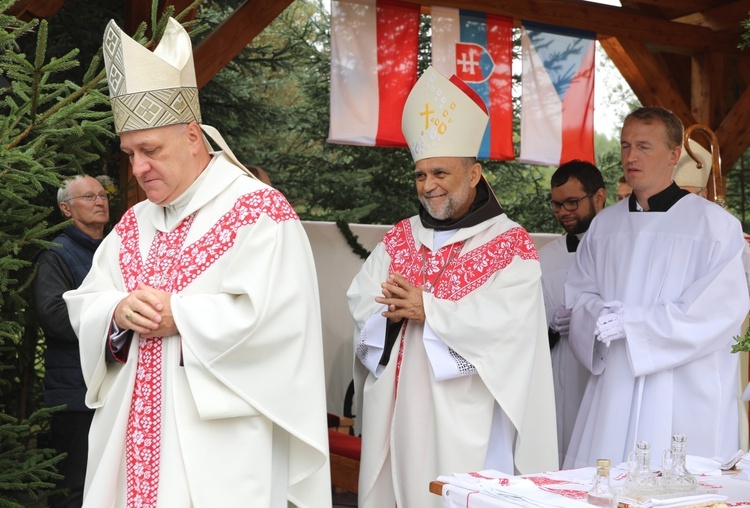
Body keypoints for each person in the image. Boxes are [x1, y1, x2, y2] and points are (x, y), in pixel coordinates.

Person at [63, 18, 330, 507]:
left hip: (219, 447)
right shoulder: (133, 223)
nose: (138, 167)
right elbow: (87, 304)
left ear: (192, 136)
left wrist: (179, 316)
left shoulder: (259, 212)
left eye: (150, 150)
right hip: (129, 436)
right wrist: (117, 312)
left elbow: (282, 326)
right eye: (129, 153)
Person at [347, 66, 557, 508]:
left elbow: (511, 328)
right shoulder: (401, 236)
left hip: (469, 413)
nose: (429, 186)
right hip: (398, 407)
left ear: (475, 173)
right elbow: (360, 298)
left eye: (440, 173)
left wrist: (431, 311)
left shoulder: (509, 244)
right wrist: (385, 313)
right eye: (421, 175)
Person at [563, 106, 749, 468]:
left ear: (674, 154)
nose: (631, 157)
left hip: (682, 386)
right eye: (625, 145)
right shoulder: (605, 226)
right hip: (616, 380)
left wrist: (633, 323)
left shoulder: (714, 226)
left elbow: (718, 311)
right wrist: (595, 315)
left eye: (644, 147)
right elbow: (580, 292)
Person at [32, 175, 110, 508]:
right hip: (74, 390)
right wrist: (114, 323)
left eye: (103, 194)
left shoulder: (115, 247)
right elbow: (53, 317)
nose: (100, 201)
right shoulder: (56, 254)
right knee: (75, 485)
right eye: (89, 196)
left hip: (112, 384)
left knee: (108, 482)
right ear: (66, 209)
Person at [538, 160, 606, 467]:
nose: (563, 212)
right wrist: (548, 323)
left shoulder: (617, 249)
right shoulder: (543, 257)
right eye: (556, 205)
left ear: (599, 197)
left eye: (572, 203)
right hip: (556, 369)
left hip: (601, 366)